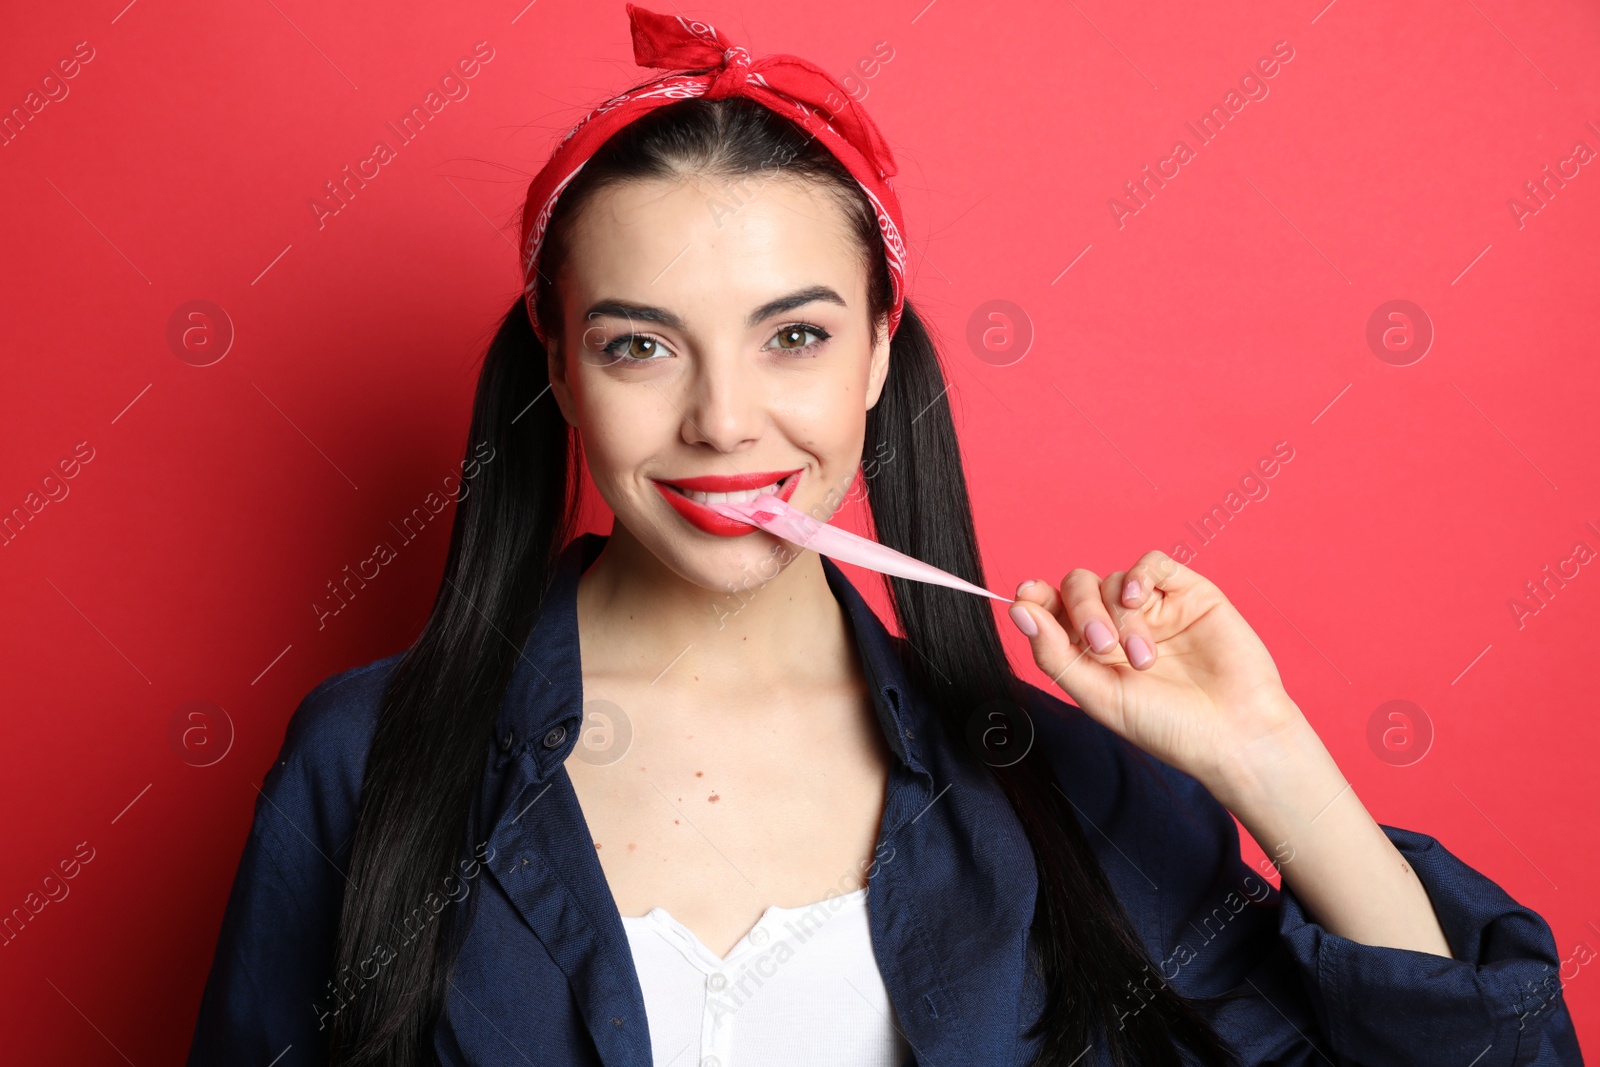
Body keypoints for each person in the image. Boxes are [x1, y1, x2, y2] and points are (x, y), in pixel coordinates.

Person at [185, 6, 1585, 1066]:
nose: (726, 421)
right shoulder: (367, 762)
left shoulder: (1056, 784)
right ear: (558, 366)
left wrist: (1271, 761)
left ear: (875, 355)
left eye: (793, 335)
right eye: (640, 346)